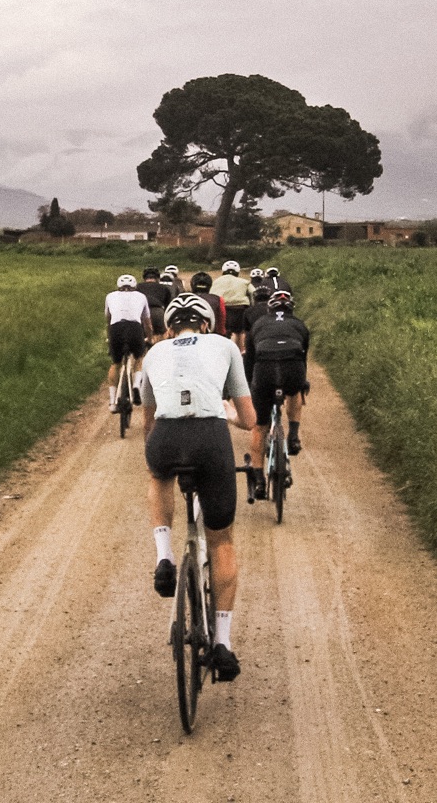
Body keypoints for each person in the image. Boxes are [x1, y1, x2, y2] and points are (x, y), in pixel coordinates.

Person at [140, 293, 257, 681]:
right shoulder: (225, 345)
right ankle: (222, 643)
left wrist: (156, 451)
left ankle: (164, 556)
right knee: (221, 540)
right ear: (207, 324)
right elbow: (249, 417)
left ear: (170, 328)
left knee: (158, 476)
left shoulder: (155, 353)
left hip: (167, 435)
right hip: (210, 435)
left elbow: (149, 419)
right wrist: (233, 419)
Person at [246, 287, 310, 492]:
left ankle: (258, 481)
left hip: (264, 369)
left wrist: (250, 384)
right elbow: (303, 356)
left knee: (260, 427)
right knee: (295, 392)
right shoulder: (299, 325)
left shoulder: (258, 324)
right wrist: (302, 382)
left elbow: (250, 359)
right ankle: (293, 435)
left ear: (269, 309)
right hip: (293, 367)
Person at [105, 274, 153, 409]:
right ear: (134, 286)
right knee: (139, 357)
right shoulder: (141, 296)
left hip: (116, 328)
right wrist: (149, 338)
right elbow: (147, 323)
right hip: (134, 328)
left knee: (115, 363)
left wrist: (109, 336)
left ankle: (112, 402)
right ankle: (137, 385)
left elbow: (108, 319)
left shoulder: (110, 296)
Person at [215, 259, 252, 351]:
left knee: (224, 331)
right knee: (240, 332)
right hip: (240, 308)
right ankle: (241, 352)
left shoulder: (216, 281)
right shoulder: (244, 282)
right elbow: (253, 293)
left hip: (222, 308)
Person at [190, 269, 227, 335]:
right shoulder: (218, 299)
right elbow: (221, 319)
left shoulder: (185, 298)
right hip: (212, 335)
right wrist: (222, 334)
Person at [139, 266, 171, 335]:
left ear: (144, 278)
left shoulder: (138, 287)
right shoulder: (164, 288)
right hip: (158, 312)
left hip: (142, 313)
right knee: (162, 337)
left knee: (141, 337)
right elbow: (168, 307)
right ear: (157, 278)